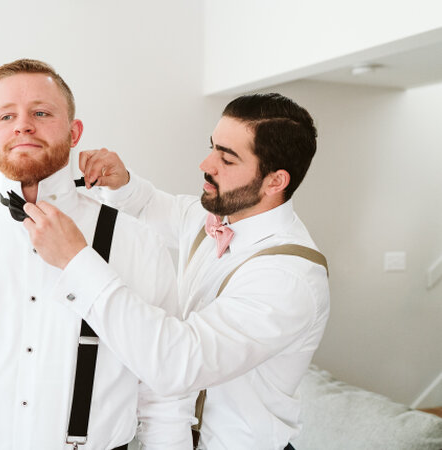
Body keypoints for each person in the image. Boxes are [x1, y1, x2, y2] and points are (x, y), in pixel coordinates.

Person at [0, 59, 195, 450]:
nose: (23, 126)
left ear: (74, 131)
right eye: (7, 116)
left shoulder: (139, 244)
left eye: (41, 113)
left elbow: (165, 400)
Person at [24, 93, 330, 450]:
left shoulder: (289, 278)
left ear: (275, 182)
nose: (206, 164)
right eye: (212, 147)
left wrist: (77, 263)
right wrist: (122, 182)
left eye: (227, 158)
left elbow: (177, 363)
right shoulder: (213, 217)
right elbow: (153, 206)